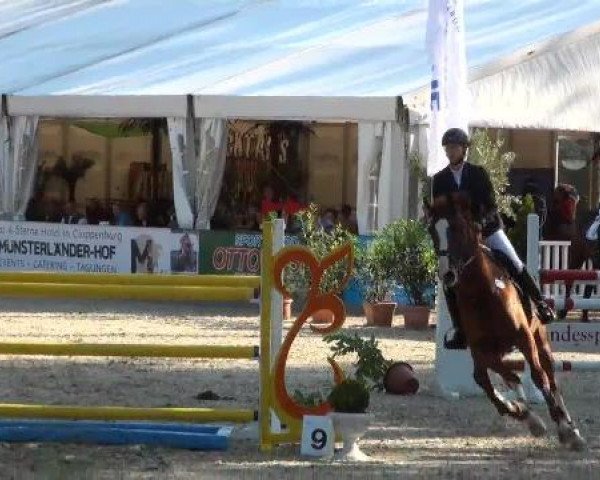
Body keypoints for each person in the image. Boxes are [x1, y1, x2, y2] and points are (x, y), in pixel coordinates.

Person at [432, 128, 555, 350]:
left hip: (487, 228)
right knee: (448, 277)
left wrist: (479, 223)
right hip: (459, 237)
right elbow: (441, 211)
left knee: (514, 261)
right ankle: (459, 328)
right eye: (448, 148)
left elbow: (490, 205)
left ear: (464, 149)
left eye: (454, 147)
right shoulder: (440, 179)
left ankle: (540, 303)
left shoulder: (478, 173)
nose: (450, 151)